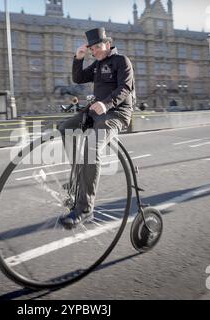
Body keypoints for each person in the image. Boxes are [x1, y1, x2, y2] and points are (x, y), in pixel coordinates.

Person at [57, 27, 135, 228]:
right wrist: (78, 58)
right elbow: (78, 78)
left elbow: (125, 88)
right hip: (95, 111)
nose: (95, 52)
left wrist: (107, 104)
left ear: (108, 44)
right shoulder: (97, 65)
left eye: (98, 47)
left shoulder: (121, 61)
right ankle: (77, 179)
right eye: (92, 49)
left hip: (116, 113)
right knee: (65, 128)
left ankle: (84, 208)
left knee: (91, 146)